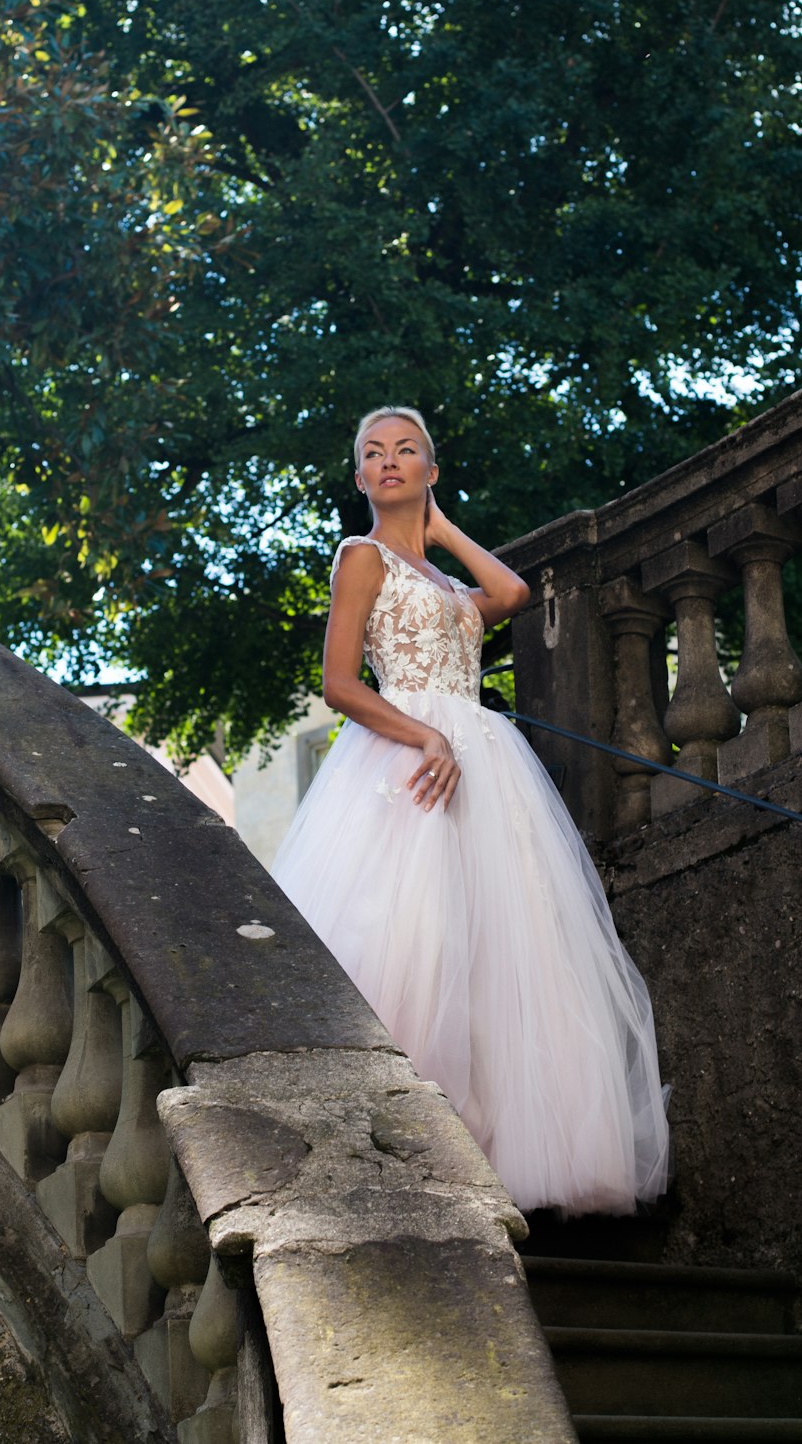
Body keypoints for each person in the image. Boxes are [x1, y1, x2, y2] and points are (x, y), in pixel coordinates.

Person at [272, 405, 670, 1216]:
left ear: (430, 470)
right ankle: (403, 1151)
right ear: (358, 478)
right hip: (408, 761)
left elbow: (512, 592)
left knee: (504, 950)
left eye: (406, 450)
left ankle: (497, 1159)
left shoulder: (448, 582)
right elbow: (340, 685)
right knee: (414, 939)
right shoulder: (361, 558)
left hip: (484, 766)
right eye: (373, 453)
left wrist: (444, 530)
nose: (388, 462)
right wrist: (424, 735)